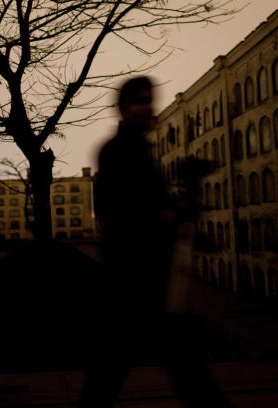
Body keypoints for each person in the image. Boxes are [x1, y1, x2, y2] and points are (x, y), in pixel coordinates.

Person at [80, 76, 232, 407]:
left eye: (150, 100)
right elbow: (133, 211)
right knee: (170, 365)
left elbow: (155, 210)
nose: (147, 107)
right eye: (138, 101)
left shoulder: (138, 149)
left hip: (143, 280)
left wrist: (177, 208)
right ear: (123, 108)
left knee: (129, 366)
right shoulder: (120, 151)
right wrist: (176, 210)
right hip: (136, 279)